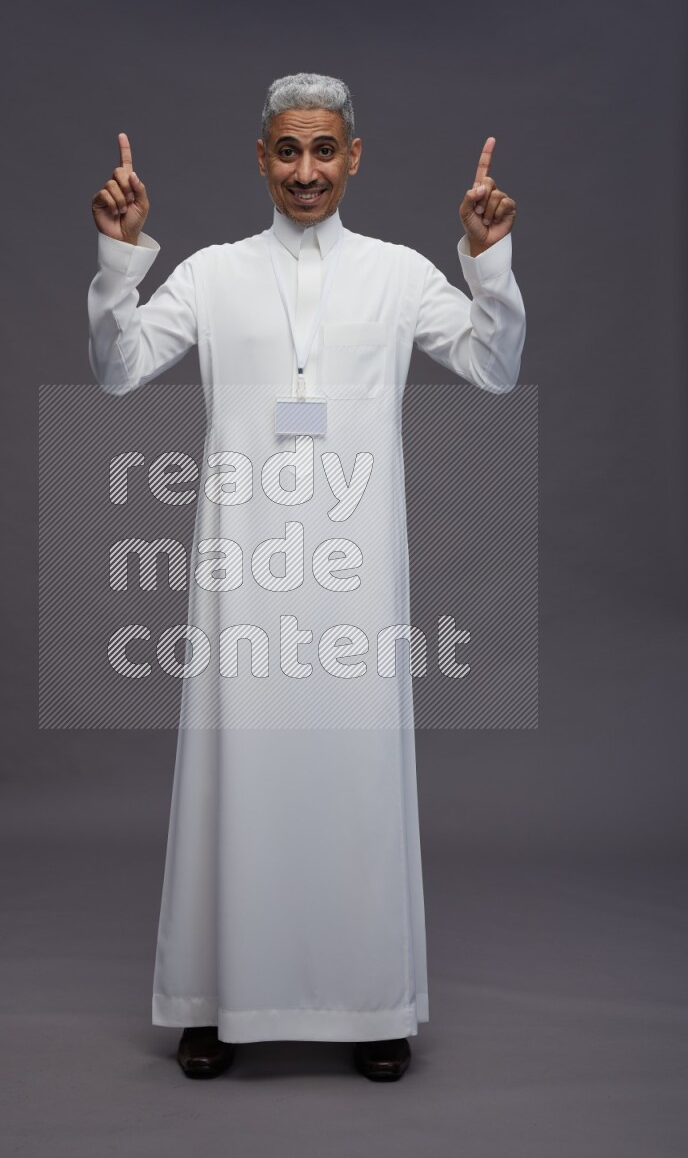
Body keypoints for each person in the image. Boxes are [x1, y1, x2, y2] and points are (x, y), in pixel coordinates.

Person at [87, 72, 525, 1082]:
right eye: (287, 150)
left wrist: (487, 262)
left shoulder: (398, 274)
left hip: (355, 569)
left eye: (324, 149)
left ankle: (371, 1004)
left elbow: (493, 366)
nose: (306, 170)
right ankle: (213, 1000)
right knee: (233, 768)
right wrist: (119, 258)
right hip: (242, 566)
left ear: (353, 157)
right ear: (261, 159)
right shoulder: (211, 274)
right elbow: (117, 368)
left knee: (356, 776)